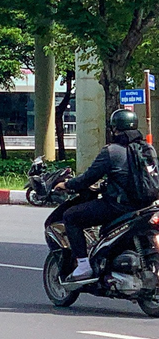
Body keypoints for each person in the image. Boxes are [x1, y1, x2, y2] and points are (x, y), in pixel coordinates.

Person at [55, 109, 152, 281]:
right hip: (146, 206)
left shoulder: (112, 151)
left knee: (71, 216)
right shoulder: (147, 149)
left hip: (118, 207)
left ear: (114, 128)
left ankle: (83, 265)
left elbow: (87, 178)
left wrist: (66, 184)